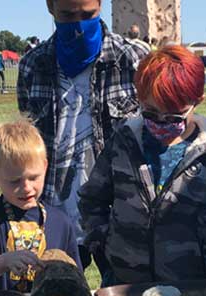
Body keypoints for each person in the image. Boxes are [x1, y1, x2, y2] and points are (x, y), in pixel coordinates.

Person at [79, 45, 206, 285]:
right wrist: (105, 250)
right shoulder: (123, 141)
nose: (161, 122)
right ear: (139, 99)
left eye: (174, 116)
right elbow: (92, 199)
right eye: (150, 113)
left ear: (197, 101)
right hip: (126, 285)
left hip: (190, 288)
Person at [16, 0, 149, 268]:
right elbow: (28, 145)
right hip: (54, 217)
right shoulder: (32, 65)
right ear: (50, 7)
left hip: (118, 216)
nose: (78, 23)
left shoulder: (134, 59)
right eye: (67, 14)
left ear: (101, 4)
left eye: (88, 14)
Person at [0, 118, 82, 291]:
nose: (26, 188)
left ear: (45, 167)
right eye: (14, 181)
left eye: (33, 177)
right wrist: (5, 261)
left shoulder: (60, 222)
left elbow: (75, 277)